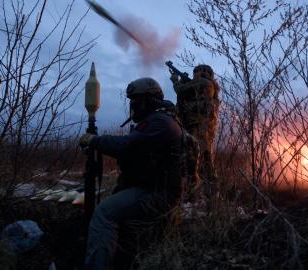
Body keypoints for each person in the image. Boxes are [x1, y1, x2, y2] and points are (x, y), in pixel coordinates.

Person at [79, 77, 183, 269]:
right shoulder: (157, 120)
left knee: (104, 212)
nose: (133, 105)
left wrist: (94, 141)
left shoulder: (161, 122)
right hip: (151, 188)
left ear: (148, 100)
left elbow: (127, 146)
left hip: (158, 194)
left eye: (136, 100)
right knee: (113, 204)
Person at [170, 64, 220, 198]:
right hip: (202, 128)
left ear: (204, 73)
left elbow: (180, 90)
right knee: (204, 159)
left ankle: (195, 195)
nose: (195, 74)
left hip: (197, 128)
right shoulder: (208, 87)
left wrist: (176, 80)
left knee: (194, 160)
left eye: (197, 72)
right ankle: (209, 195)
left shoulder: (204, 82)